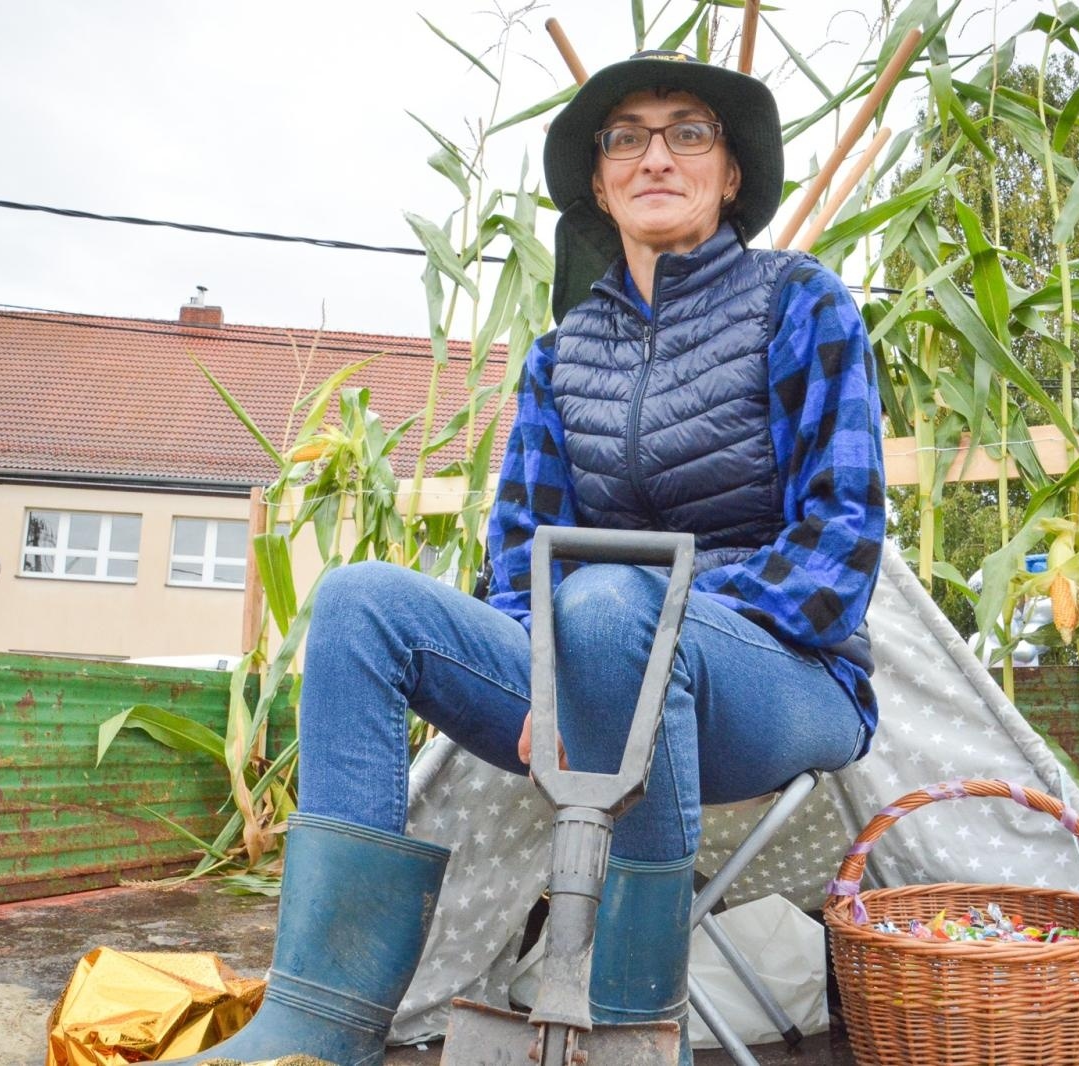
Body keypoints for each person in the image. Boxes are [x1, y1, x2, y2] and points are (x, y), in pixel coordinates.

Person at [173, 51, 884, 1066]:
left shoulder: (800, 304)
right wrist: (550, 662)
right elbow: (518, 559)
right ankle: (316, 1023)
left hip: (779, 679)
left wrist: (645, 605)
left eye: (688, 132)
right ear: (597, 182)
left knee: (603, 606)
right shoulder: (564, 352)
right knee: (360, 601)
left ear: (731, 175)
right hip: (589, 667)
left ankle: (635, 1030)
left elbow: (839, 546)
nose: (654, 155)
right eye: (624, 137)